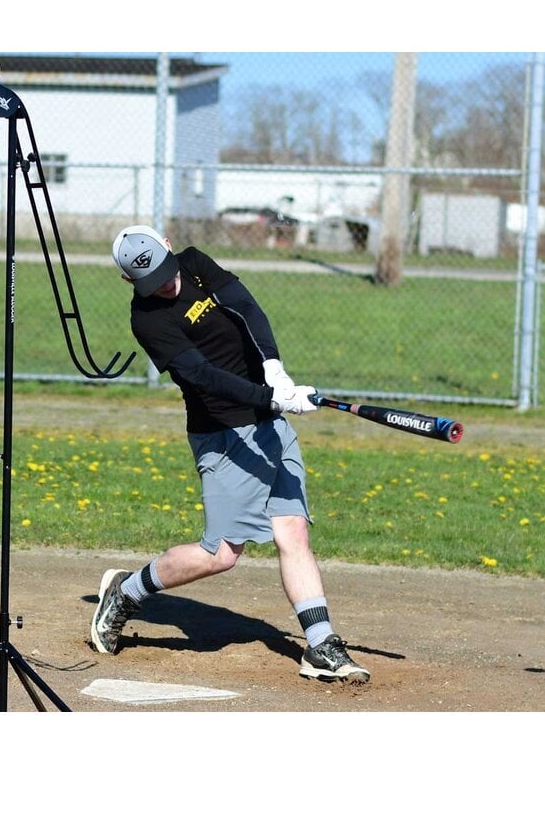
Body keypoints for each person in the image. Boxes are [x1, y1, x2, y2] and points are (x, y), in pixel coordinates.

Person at [90, 225, 370, 684]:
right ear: (128, 282)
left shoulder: (196, 262)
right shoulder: (148, 320)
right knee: (220, 554)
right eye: (149, 281)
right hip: (223, 434)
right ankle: (126, 591)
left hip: (267, 419)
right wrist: (271, 400)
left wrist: (274, 369)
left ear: (166, 245)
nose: (164, 284)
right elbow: (202, 376)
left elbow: (246, 308)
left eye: (164, 269)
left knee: (293, 530)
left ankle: (320, 645)